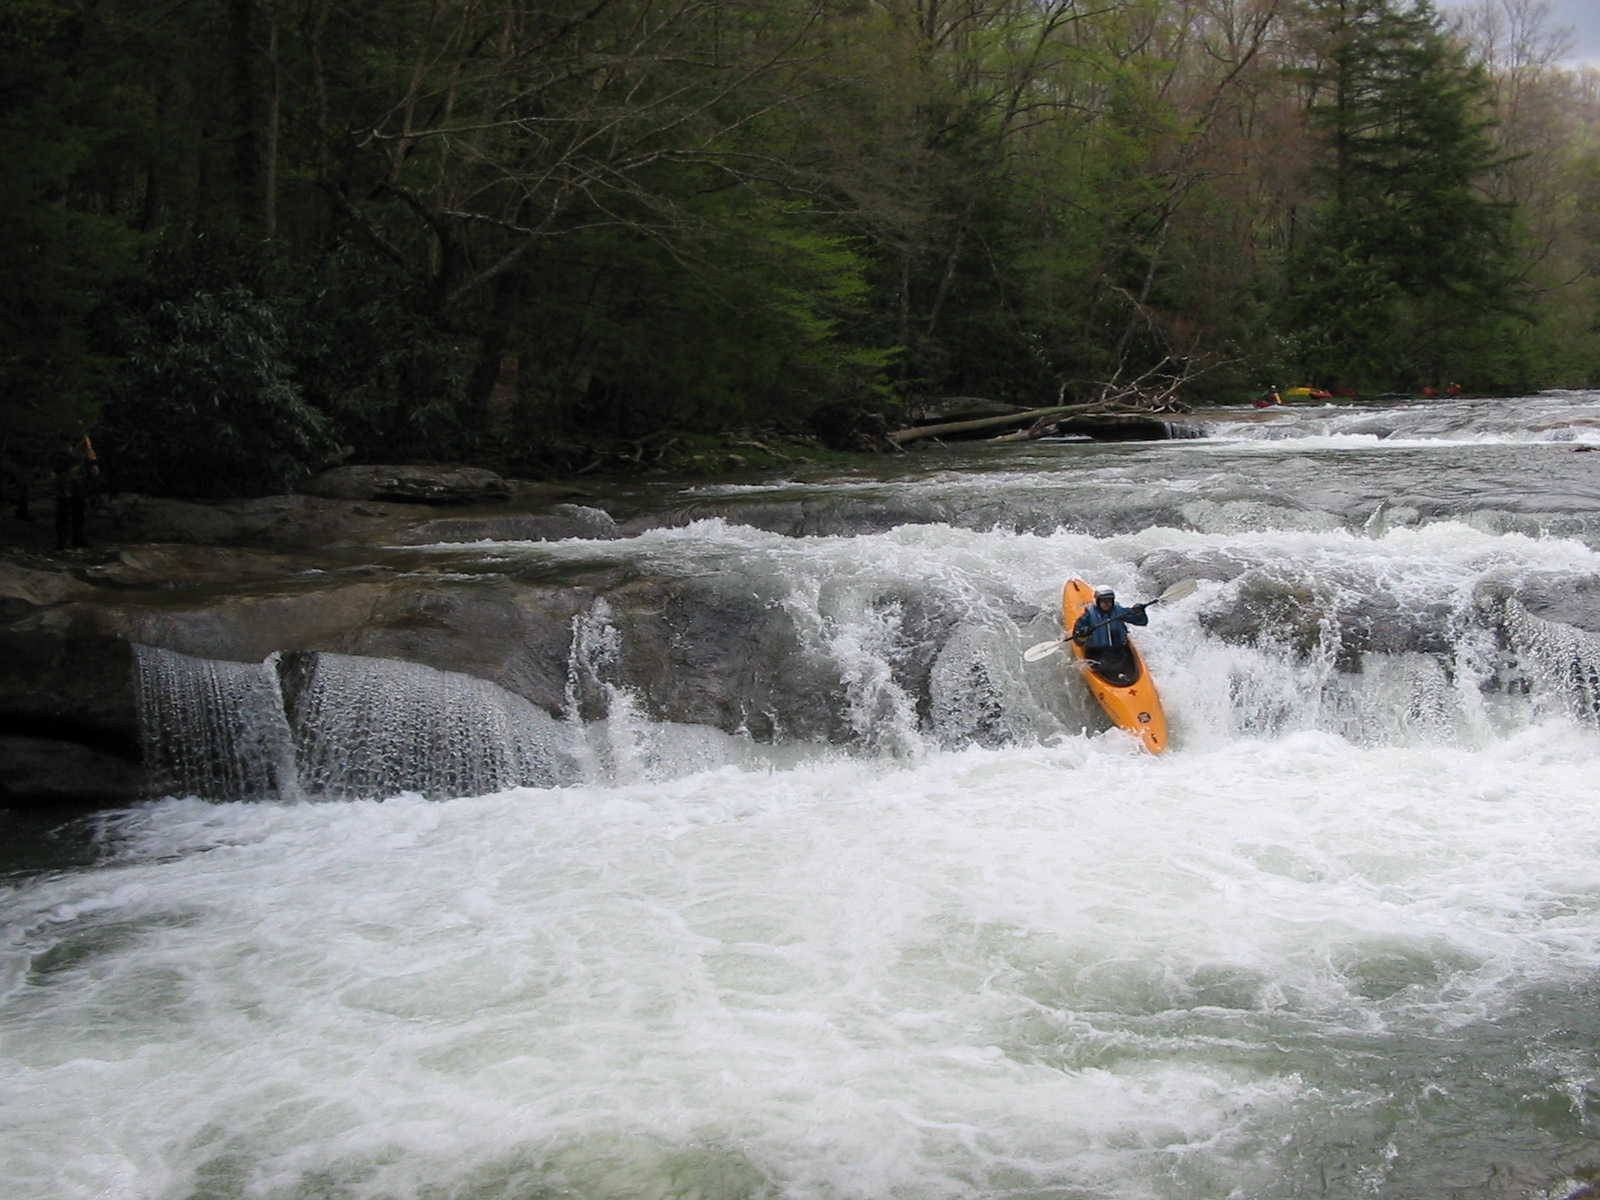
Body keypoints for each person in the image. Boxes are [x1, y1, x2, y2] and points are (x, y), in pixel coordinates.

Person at [1072, 585, 1149, 681]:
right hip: (1096, 654)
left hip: (1119, 652)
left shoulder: (1119, 611)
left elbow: (1142, 622)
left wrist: (1140, 612)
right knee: (1106, 666)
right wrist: (1084, 633)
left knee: (1117, 664)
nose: (1106, 603)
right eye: (1103, 601)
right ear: (1098, 601)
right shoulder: (1088, 616)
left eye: (1109, 600)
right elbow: (1078, 642)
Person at [52, 434, 98, 550]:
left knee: (79, 511)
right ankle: (62, 542)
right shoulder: (61, 436)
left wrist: (92, 464)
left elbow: (89, 452)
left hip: (78, 479)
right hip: (64, 478)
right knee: (63, 511)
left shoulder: (83, 437)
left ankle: (77, 538)